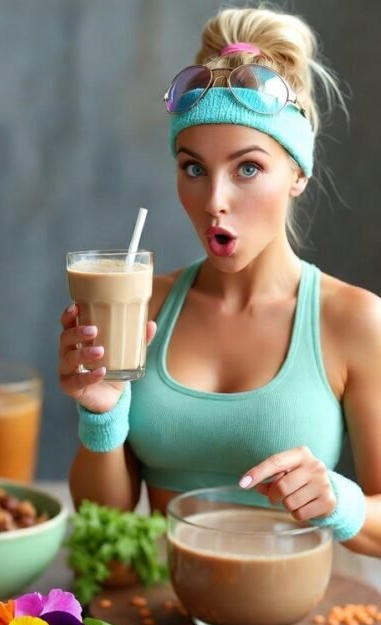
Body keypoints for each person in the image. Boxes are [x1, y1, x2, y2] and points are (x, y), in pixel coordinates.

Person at [58, 5, 381, 556]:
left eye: (248, 168)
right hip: (165, 613)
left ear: (297, 173)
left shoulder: (353, 320)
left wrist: (341, 502)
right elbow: (103, 523)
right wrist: (101, 412)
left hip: (294, 622)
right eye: (193, 168)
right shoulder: (146, 305)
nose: (214, 201)